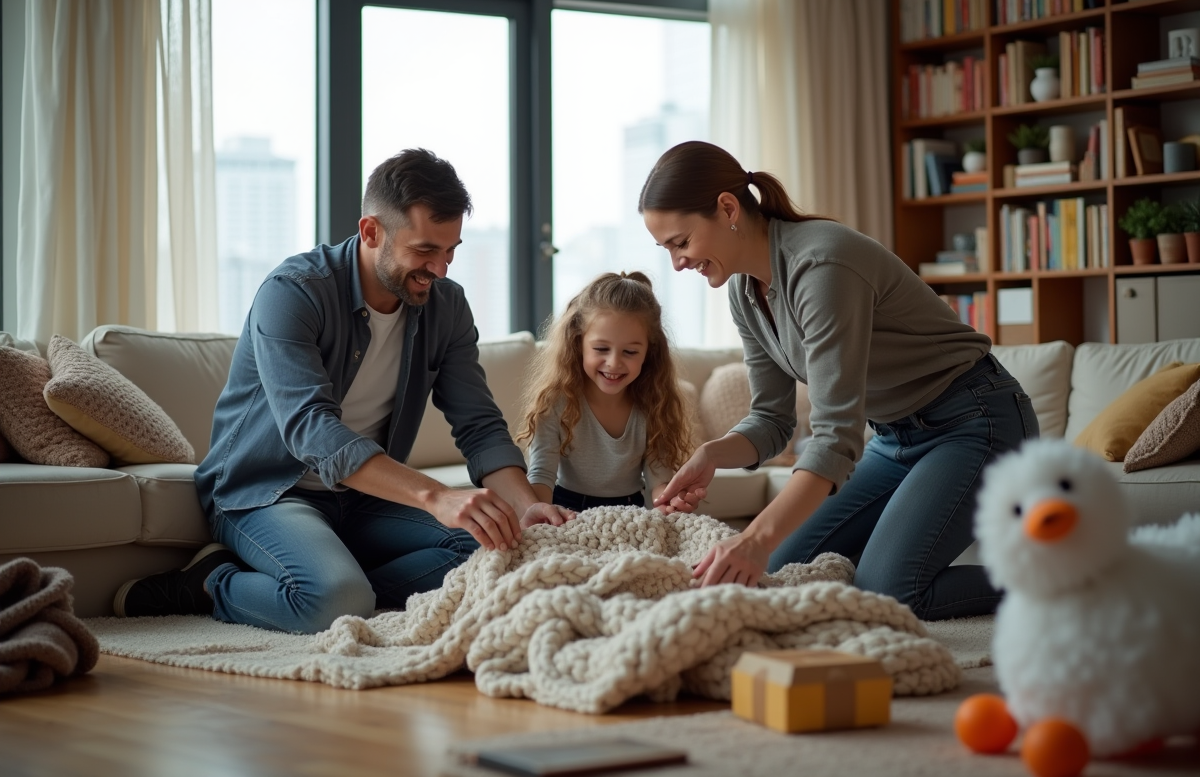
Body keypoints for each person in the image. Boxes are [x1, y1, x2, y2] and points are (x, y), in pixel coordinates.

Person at [114, 149, 573, 633]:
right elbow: (312, 428)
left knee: (498, 547)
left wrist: (527, 507)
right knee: (334, 600)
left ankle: (334, 576)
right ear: (371, 232)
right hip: (266, 492)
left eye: (450, 250)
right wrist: (436, 496)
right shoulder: (293, 292)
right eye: (424, 251)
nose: (440, 270)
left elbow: (478, 425)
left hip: (363, 502)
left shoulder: (447, 306)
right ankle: (212, 583)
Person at [639, 141, 1039, 621]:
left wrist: (753, 538)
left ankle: (1065, 577)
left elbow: (834, 437)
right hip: (895, 439)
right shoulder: (745, 293)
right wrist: (711, 456)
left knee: (891, 589)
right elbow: (771, 419)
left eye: (681, 243)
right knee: (787, 568)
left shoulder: (822, 265)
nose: (678, 263)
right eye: (667, 250)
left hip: (976, 422)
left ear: (727, 208)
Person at [516, 271, 702, 514]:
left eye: (630, 352)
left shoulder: (654, 404)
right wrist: (537, 511)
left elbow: (659, 481)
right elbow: (541, 475)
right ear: (577, 343)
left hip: (630, 512)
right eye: (601, 349)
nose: (614, 363)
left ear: (649, 352)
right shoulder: (555, 403)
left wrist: (670, 502)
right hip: (566, 512)